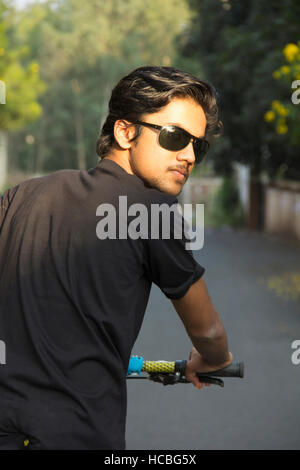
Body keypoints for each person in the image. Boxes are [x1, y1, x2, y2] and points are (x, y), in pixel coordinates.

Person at [0, 65, 232, 450]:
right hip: (77, 432)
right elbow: (208, 333)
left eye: (199, 145)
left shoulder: (19, 195)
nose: (189, 155)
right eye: (175, 137)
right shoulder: (153, 212)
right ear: (125, 132)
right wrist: (214, 358)